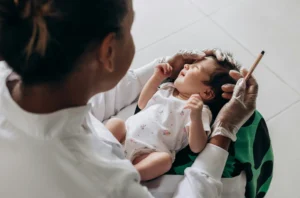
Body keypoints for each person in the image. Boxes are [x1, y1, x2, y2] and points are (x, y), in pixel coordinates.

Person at [0, 0, 258, 197]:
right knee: (235, 185)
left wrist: (158, 70)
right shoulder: (103, 183)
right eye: (130, 28)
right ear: (108, 50)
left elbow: (90, 102)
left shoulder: (16, 80)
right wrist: (224, 130)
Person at [105, 49, 241, 181]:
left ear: (207, 93)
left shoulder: (200, 110)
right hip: (126, 135)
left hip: (147, 153)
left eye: (195, 68)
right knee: (116, 123)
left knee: (164, 160)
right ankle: (98, 149)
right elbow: (142, 104)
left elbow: (197, 147)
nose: (187, 65)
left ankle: (129, 175)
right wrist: (156, 77)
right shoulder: (167, 89)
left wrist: (195, 117)